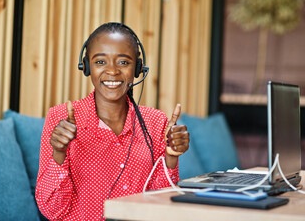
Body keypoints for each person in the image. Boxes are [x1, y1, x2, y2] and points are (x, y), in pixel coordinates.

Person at [35, 22, 190, 221]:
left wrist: (171, 157)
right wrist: (59, 153)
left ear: (138, 68)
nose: (113, 71)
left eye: (123, 62)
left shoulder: (155, 121)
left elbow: (160, 205)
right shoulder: (61, 118)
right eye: (100, 62)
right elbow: (52, 211)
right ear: (87, 66)